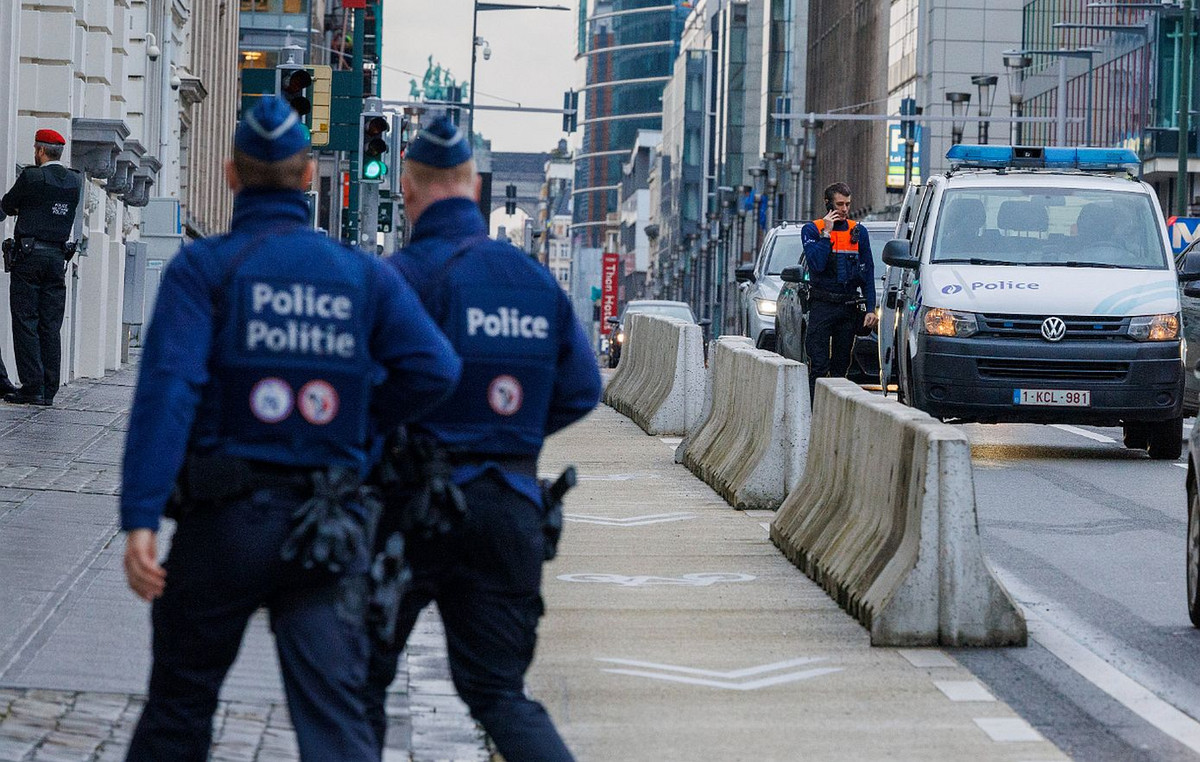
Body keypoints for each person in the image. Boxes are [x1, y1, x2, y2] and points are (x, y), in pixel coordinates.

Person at [119, 97, 462, 762]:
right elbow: (435, 369)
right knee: (334, 720)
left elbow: (169, 389)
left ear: (230, 176)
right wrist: (361, 424)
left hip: (221, 523)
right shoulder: (361, 274)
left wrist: (141, 515)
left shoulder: (205, 268)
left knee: (179, 707)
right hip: (325, 525)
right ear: (308, 177)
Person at [364, 115, 601, 762]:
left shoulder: (399, 277)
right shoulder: (533, 280)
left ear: (407, 190)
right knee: (499, 694)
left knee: (358, 684)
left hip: (412, 510)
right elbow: (582, 388)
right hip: (511, 507)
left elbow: (367, 393)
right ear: (474, 188)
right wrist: (511, 434)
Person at [0, 128, 83, 405]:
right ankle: (49, 389)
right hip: (57, 259)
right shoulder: (74, 181)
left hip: (29, 257)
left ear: (40, 150)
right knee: (50, 324)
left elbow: (8, 204)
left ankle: (31, 386)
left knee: (26, 320)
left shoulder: (32, 177)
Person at [801, 182, 878, 402]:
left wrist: (870, 308)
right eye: (840, 204)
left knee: (841, 366)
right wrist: (826, 233)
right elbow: (816, 264)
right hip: (822, 306)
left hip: (847, 307)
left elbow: (867, 272)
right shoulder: (812, 230)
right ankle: (815, 411)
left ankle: (835, 411)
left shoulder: (858, 231)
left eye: (848, 204)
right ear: (828, 204)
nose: (844, 209)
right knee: (819, 364)